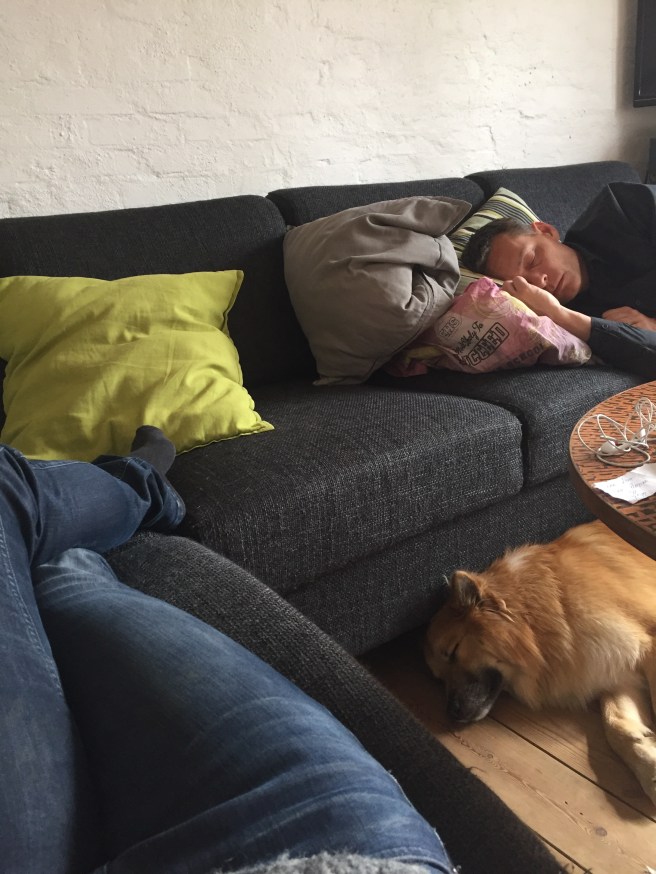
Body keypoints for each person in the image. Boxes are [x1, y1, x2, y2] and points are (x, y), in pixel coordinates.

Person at [1, 428, 454, 874]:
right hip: (333, 842)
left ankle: (123, 492)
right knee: (59, 565)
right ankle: (140, 485)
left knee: (47, 556)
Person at [461, 181, 656, 376]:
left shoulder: (621, 208)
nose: (540, 282)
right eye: (525, 285)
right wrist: (558, 314)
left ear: (546, 232)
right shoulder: (562, 325)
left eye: (532, 260)